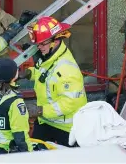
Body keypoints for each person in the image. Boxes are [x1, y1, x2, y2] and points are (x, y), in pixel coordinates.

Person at [19, 16, 87, 147]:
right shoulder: (49, 57)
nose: (39, 47)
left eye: (42, 43)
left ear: (55, 41)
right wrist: (28, 73)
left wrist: (40, 110)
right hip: (46, 121)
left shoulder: (66, 69)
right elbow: (45, 74)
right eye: (37, 44)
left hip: (67, 129)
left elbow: (69, 103)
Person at [0, 58, 32, 155]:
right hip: (5, 152)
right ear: (14, 75)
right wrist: (29, 154)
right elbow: (20, 134)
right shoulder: (15, 101)